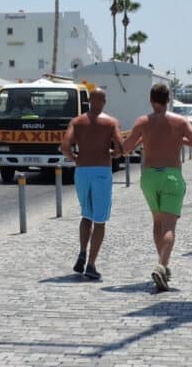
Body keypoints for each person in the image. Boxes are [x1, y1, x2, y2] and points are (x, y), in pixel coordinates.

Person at [123, 83, 192, 292]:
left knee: (157, 222)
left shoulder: (143, 122)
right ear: (168, 100)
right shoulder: (180, 121)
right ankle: (162, 265)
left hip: (149, 176)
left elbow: (126, 148)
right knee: (169, 226)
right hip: (171, 175)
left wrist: (144, 139)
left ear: (151, 100)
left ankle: (163, 265)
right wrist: (180, 139)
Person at [59, 87, 123, 281]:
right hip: (101, 171)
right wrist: (112, 154)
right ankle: (91, 265)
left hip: (82, 171)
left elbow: (64, 146)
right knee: (100, 220)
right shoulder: (111, 122)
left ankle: (82, 252)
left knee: (86, 215)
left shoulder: (77, 122)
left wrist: (75, 157)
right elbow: (120, 148)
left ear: (88, 101)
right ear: (104, 101)